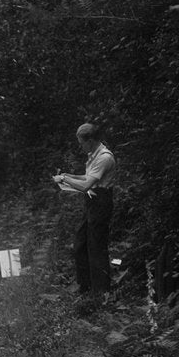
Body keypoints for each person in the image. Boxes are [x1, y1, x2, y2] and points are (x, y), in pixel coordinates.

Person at [53, 123, 116, 296]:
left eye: (82, 143)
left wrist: (65, 178)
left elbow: (86, 185)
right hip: (91, 201)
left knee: (96, 247)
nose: (81, 147)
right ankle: (85, 286)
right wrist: (68, 177)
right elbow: (87, 178)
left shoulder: (104, 157)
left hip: (101, 202)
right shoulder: (93, 155)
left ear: (91, 140)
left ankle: (101, 291)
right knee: (80, 245)